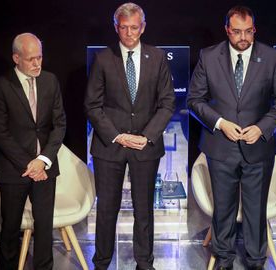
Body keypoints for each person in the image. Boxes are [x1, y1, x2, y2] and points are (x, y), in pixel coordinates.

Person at [187, 6, 276, 270]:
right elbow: (194, 100)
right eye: (237, 32)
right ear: (227, 30)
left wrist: (262, 127)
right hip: (221, 147)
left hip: (258, 147)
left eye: (248, 31)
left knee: (256, 209)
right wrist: (221, 124)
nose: (243, 37)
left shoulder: (271, 57)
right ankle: (224, 259)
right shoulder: (209, 57)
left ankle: (256, 260)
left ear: (254, 29)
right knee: (223, 208)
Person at [84, 2, 175, 270]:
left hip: (145, 147)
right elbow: (92, 105)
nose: (129, 33)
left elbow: (167, 102)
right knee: (106, 211)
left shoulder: (157, 58)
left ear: (143, 27)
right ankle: (101, 263)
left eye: (134, 28)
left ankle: (144, 264)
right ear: (116, 28)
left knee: (144, 210)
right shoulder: (103, 59)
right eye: (124, 28)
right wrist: (118, 136)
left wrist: (146, 137)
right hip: (109, 147)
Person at [0, 33, 66, 270]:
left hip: (45, 168)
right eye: (31, 59)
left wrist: (42, 161)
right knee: (11, 229)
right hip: (15, 171)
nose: (37, 64)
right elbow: (1, 134)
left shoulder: (51, 81)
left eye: (40, 58)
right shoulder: (1, 87)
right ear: (16, 58)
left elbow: (60, 124)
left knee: (44, 228)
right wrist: (30, 165)